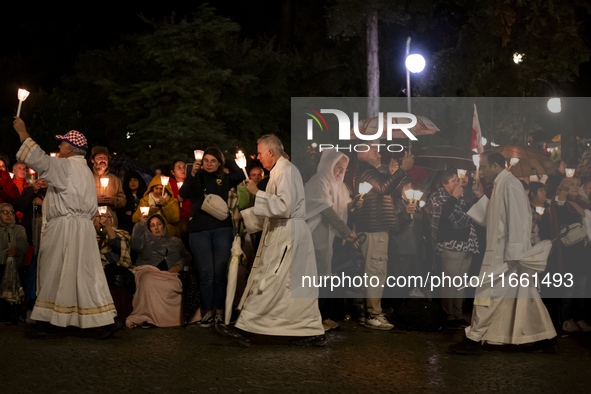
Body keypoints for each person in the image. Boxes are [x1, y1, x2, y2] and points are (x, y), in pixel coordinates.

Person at [12, 117, 121, 339]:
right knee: (85, 275)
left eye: (62, 144)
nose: (59, 147)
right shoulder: (83, 171)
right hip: (82, 229)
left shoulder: (67, 166)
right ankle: (101, 320)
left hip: (65, 229)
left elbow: (40, 161)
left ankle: (52, 322)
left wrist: (23, 133)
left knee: (56, 271)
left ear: (70, 148)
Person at [449, 151, 557, 355]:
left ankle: (474, 338)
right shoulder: (502, 184)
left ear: (496, 166)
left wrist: (514, 252)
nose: (481, 172)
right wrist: (481, 196)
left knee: (489, 294)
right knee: (525, 296)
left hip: (505, 254)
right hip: (502, 251)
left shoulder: (511, 184)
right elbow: (495, 217)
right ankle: (546, 338)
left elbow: (518, 219)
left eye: (484, 166)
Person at [224, 135, 325, 347]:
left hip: (288, 233)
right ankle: (307, 328)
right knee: (290, 286)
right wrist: (247, 214)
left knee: (269, 280)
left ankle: (245, 328)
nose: (258, 157)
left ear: (271, 152)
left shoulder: (286, 171)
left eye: (260, 152)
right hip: (287, 232)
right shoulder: (280, 171)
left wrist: (257, 193)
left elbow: (284, 207)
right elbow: (274, 209)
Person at [179, 147, 245, 327]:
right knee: (206, 273)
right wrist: (192, 174)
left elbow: (240, 175)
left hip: (221, 229)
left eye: (213, 161)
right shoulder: (196, 177)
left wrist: (228, 157)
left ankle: (220, 310)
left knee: (219, 271)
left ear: (219, 163)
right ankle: (208, 311)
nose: (208, 164)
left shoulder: (224, 178)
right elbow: (183, 194)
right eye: (206, 160)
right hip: (198, 231)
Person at [353, 145, 414, 330]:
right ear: (363, 155)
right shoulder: (367, 171)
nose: (380, 155)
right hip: (374, 229)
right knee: (376, 272)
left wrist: (391, 174)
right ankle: (374, 314)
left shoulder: (369, 172)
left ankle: (368, 312)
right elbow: (385, 188)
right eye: (375, 152)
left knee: (374, 271)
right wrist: (403, 169)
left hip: (376, 228)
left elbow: (386, 189)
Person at [305, 149, 358, 331]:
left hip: (337, 240)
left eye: (344, 169)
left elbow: (343, 209)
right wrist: (346, 233)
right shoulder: (318, 181)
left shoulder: (341, 186)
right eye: (338, 167)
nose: (340, 172)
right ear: (328, 164)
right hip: (319, 238)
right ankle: (314, 317)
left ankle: (330, 316)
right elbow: (327, 210)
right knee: (319, 277)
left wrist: (354, 205)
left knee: (333, 278)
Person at [127, 214, 198, 328]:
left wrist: (178, 267)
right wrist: (140, 225)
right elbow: (135, 245)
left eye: (159, 224)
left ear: (164, 226)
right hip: (150, 271)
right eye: (152, 225)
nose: (156, 228)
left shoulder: (176, 241)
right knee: (148, 280)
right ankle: (148, 317)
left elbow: (188, 258)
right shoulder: (143, 241)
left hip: (171, 275)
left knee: (184, 282)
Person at [428, 171, 479, 328]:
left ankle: (457, 315)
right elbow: (446, 217)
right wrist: (455, 197)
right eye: (453, 180)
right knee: (450, 283)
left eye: (458, 180)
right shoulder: (437, 197)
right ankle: (448, 316)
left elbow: (470, 214)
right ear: (444, 184)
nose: (457, 183)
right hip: (451, 246)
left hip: (466, 245)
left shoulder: (459, 198)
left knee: (460, 283)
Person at [541, 177, 591, 332]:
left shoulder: (583, 204)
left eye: (577, 185)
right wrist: (564, 189)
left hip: (583, 252)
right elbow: (558, 203)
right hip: (568, 253)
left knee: (581, 289)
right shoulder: (561, 204)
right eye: (571, 185)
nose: (575, 187)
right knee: (568, 289)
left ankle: (579, 318)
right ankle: (566, 320)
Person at [0, 203, 28, 308]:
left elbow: (23, 243)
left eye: (11, 212)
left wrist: (16, 251)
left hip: (17, 266)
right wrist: (5, 254)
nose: (8, 215)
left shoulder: (19, 229)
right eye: (5, 212)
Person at [91, 146, 126, 226]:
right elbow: (80, 200)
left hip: (110, 221)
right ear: (93, 160)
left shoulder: (115, 180)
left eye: (105, 158)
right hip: (92, 220)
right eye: (99, 158)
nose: (103, 160)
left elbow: (123, 200)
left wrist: (113, 201)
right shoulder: (87, 178)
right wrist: (94, 200)